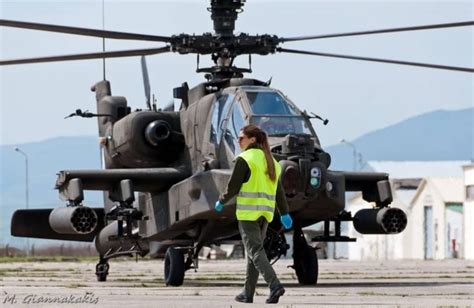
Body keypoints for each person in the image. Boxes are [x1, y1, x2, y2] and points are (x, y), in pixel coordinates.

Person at [214, 124, 293, 304]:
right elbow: (279, 192)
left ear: (252, 139)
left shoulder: (246, 159)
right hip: (265, 214)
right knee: (254, 253)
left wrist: (221, 201)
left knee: (255, 250)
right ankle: (247, 293)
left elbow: (233, 186)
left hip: (248, 213)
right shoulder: (271, 161)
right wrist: (285, 213)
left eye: (241, 137)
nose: (238, 140)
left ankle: (274, 285)